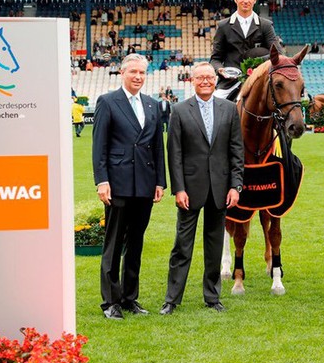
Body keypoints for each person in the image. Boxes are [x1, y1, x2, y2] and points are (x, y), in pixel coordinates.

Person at [160, 62, 244, 315]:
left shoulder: (229, 110)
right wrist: (179, 189)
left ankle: (212, 296)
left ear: (215, 81)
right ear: (192, 81)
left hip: (220, 190)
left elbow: (236, 151)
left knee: (214, 245)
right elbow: (174, 153)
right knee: (182, 246)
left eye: (209, 77)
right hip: (190, 190)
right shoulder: (180, 110)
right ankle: (172, 299)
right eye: (200, 78)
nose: (206, 81)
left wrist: (235, 186)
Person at [92, 53, 166, 320]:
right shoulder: (108, 102)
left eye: (142, 73)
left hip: (145, 185)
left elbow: (157, 146)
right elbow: (99, 146)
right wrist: (102, 180)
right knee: (114, 243)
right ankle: (110, 301)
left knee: (136, 243)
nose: (137, 77)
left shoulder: (153, 105)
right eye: (133, 71)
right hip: (118, 184)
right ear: (122, 72)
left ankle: (129, 297)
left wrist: (160, 181)